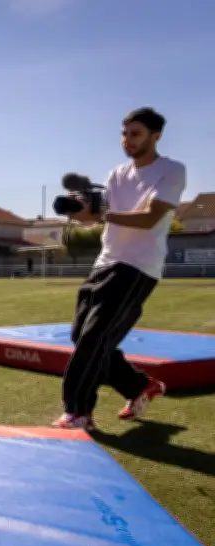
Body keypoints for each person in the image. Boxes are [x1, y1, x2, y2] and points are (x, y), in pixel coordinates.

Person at [52, 107, 185, 430]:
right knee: (81, 334)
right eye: (124, 134)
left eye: (136, 134)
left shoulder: (171, 170)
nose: (128, 141)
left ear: (156, 136)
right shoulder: (116, 174)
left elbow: (150, 217)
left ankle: (79, 412)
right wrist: (81, 211)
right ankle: (139, 387)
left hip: (138, 266)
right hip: (106, 260)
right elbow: (99, 212)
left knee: (95, 337)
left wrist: (103, 216)